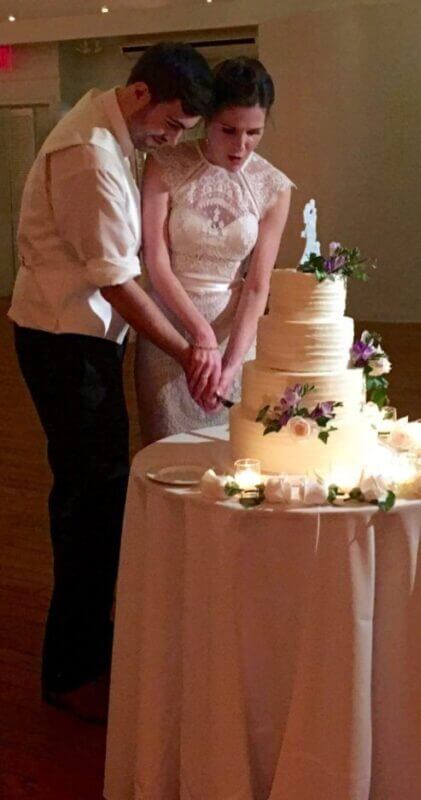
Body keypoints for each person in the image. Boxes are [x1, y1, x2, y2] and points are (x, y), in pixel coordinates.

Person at [7, 42, 213, 722]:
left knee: (94, 496)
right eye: (173, 124)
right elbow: (118, 282)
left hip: (78, 338)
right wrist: (187, 351)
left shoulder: (111, 127)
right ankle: (71, 671)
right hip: (63, 342)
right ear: (140, 93)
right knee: (91, 501)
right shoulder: (90, 155)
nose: (173, 139)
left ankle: (88, 650)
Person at [135, 57, 294, 444]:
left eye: (254, 133)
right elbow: (155, 261)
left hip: (233, 336)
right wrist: (199, 335)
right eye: (229, 130)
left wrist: (232, 364)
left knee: (233, 451)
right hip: (170, 331)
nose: (241, 146)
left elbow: (257, 286)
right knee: (168, 455)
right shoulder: (165, 164)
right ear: (207, 119)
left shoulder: (273, 187)